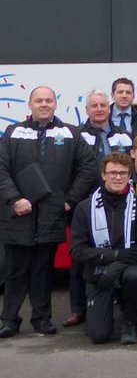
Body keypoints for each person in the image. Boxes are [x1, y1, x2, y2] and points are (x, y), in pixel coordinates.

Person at [0, 86, 97, 339]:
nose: (44, 104)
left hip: (51, 215)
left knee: (43, 270)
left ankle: (41, 318)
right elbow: (1, 170)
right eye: (39, 100)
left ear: (55, 104)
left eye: (48, 100)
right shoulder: (12, 132)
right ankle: (9, 320)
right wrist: (14, 199)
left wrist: (70, 200)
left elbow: (88, 167)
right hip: (17, 215)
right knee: (15, 270)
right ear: (30, 104)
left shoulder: (71, 133)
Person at [68, 153, 137, 345]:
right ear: (103, 174)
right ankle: (98, 316)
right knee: (99, 336)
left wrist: (114, 268)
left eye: (123, 173)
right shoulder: (84, 208)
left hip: (128, 269)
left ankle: (130, 322)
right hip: (97, 272)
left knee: (136, 276)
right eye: (113, 173)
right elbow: (77, 250)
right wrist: (114, 255)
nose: (118, 177)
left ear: (129, 176)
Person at [80, 90, 133, 158]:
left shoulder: (125, 136)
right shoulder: (78, 135)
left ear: (109, 109)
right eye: (94, 106)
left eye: (103, 105)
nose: (99, 109)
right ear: (87, 110)